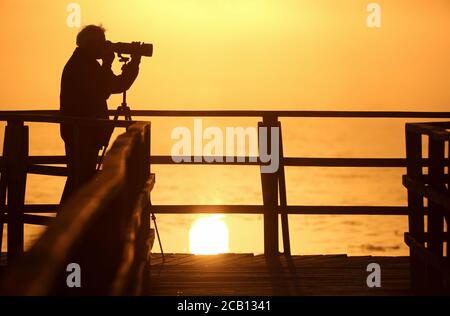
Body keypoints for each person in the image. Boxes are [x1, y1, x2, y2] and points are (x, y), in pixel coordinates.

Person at [60, 25, 141, 203]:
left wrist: (134, 62)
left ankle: (70, 222)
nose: (105, 47)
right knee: (80, 181)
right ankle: (69, 223)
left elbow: (117, 85)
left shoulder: (88, 64)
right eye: (101, 43)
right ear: (90, 45)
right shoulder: (81, 66)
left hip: (86, 131)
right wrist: (107, 63)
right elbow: (102, 91)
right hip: (80, 132)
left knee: (82, 180)